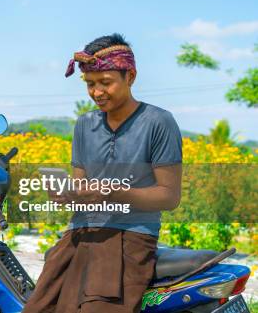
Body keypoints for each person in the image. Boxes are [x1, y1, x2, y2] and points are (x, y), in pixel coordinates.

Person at [23, 33, 183, 313]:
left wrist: (111, 192)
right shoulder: (84, 124)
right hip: (79, 233)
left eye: (105, 83)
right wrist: (69, 196)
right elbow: (81, 187)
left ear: (130, 76)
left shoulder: (159, 122)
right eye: (90, 84)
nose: (97, 92)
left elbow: (169, 197)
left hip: (129, 239)